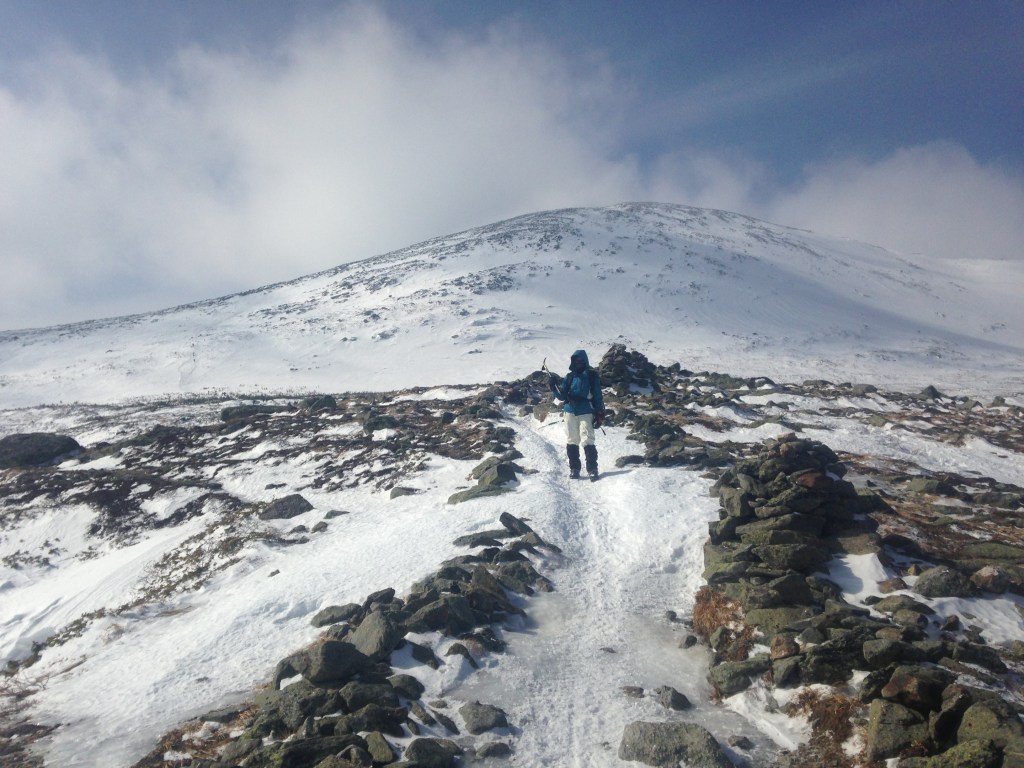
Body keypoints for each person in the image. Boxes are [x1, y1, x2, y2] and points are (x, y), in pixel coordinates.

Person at [549, 349, 605, 479]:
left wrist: (599, 412)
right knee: (572, 440)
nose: (578, 362)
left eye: (580, 360)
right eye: (576, 360)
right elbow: (562, 396)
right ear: (573, 361)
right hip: (570, 411)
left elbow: (598, 396)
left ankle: (592, 469)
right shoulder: (569, 377)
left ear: (585, 361)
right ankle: (574, 468)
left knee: (588, 439)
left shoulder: (591, 376)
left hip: (586, 411)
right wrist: (553, 387)